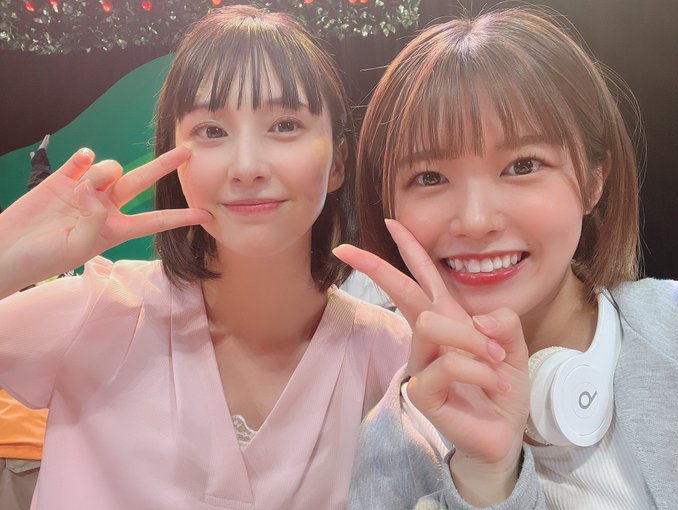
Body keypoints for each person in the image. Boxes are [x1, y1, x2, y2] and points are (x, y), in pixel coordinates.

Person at [0, 6, 410, 509]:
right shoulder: (99, 313)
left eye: (285, 124)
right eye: (212, 131)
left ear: (339, 162)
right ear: (173, 157)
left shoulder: (394, 360)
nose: (247, 166)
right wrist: (6, 259)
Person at [334, 7, 678, 509]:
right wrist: (486, 477)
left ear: (594, 179)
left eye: (523, 165)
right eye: (429, 177)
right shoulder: (389, 450)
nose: (475, 221)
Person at [0, 134, 55, 510]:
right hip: (24, 448)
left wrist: (40, 168)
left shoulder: (45, 279)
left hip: (30, 449)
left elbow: (44, 219)